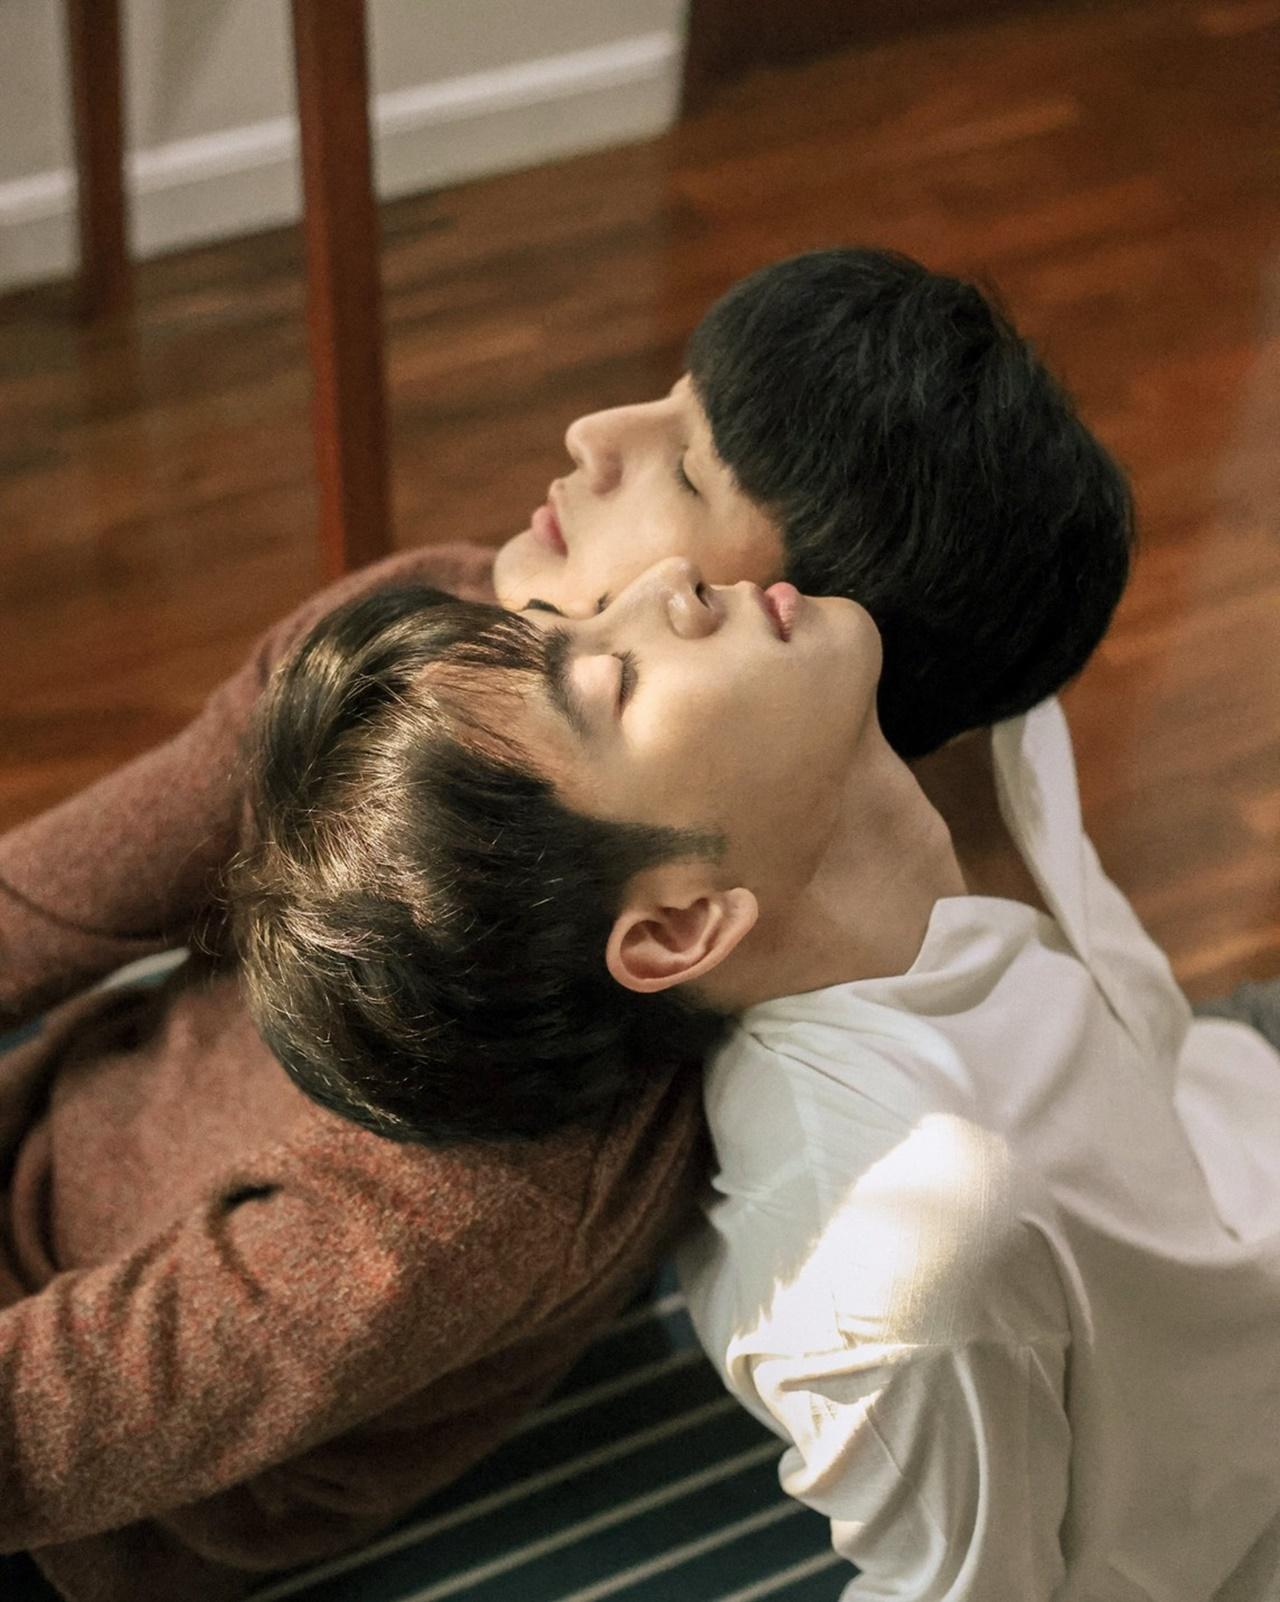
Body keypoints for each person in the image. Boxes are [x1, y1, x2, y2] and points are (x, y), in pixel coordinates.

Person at [0, 246, 1151, 1600]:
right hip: (52, 1124)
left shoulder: (495, 1183)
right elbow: (55, 895)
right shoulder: (429, 645)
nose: (590, 434)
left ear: (809, 623)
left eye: (689, 474)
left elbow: (72, 1417)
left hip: (102, 1479)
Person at [236, 558, 1280, 1601]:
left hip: (1233, 1115)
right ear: (680, 926)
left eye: (588, 613)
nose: (667, 579)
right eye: (615, 681)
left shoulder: (930, 771)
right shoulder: (908, 1251)